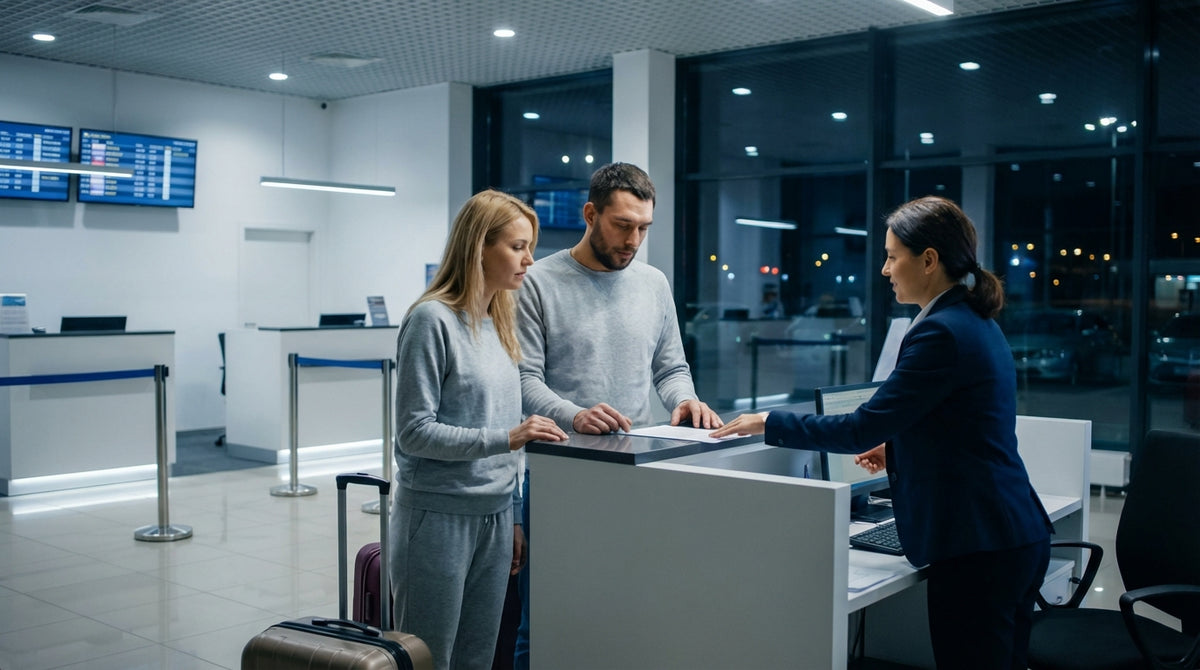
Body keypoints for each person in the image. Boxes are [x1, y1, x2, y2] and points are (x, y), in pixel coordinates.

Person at [711, 196, 1053, 670]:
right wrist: (900, 448)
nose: (885, 269)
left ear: (928, 260)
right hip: (1009, 534)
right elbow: (964, 425)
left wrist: (770, 421)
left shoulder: (941, 331)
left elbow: (858, 427)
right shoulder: (972, 318)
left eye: (893, 256)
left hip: (979, 546)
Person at [512, 162, 722, 669]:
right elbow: (522, 380)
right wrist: (574, 414)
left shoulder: (652, 283)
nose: (633, 240)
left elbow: (670, 366)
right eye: (622, 225)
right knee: (542, 621)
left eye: (643, 228)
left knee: (625, 610)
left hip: (636, 472)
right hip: (559, 474)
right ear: (590, 214)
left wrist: (683, 400)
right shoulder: (537, 282)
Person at [390, 189, 568, 670]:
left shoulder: (498, 324)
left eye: (530, 246)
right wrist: (510, 436)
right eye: (517, 246)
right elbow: (414, 432)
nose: (530, 259)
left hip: (491, 517)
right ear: (478, 247)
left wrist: (511, 515)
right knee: (429, 657)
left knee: (477, 657)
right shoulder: (431, 321)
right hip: (436, 518)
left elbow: (507, 443)